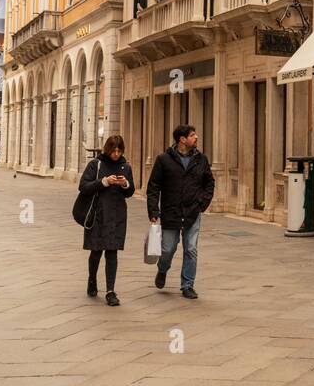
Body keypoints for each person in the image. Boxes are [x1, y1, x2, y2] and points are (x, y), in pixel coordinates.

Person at [146, 124, 215, 300]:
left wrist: (203, 203)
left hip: (193, 211)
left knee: (191, 249)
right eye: (193, 135)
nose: (196, 137)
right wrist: (154, 210)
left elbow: (209, 182)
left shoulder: (201, 159)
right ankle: (162, 269)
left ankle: (187, 285)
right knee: (168, 248)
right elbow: (154, 186)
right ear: (182, 140)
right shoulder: (163, 159)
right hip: (171, 211)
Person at [78, 135, 136, 306]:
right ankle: (92, 280)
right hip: (97, 214)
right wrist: (103, 182)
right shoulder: (95, 164)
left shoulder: (125, 166)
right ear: (107, 149)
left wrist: (125, 183)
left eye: (119, 151)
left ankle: (110, 291)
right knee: (96, 251)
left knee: (112, 251)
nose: (116, 154)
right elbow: (83, 186)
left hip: (117, 215)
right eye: (113, 151)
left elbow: (130, 191)